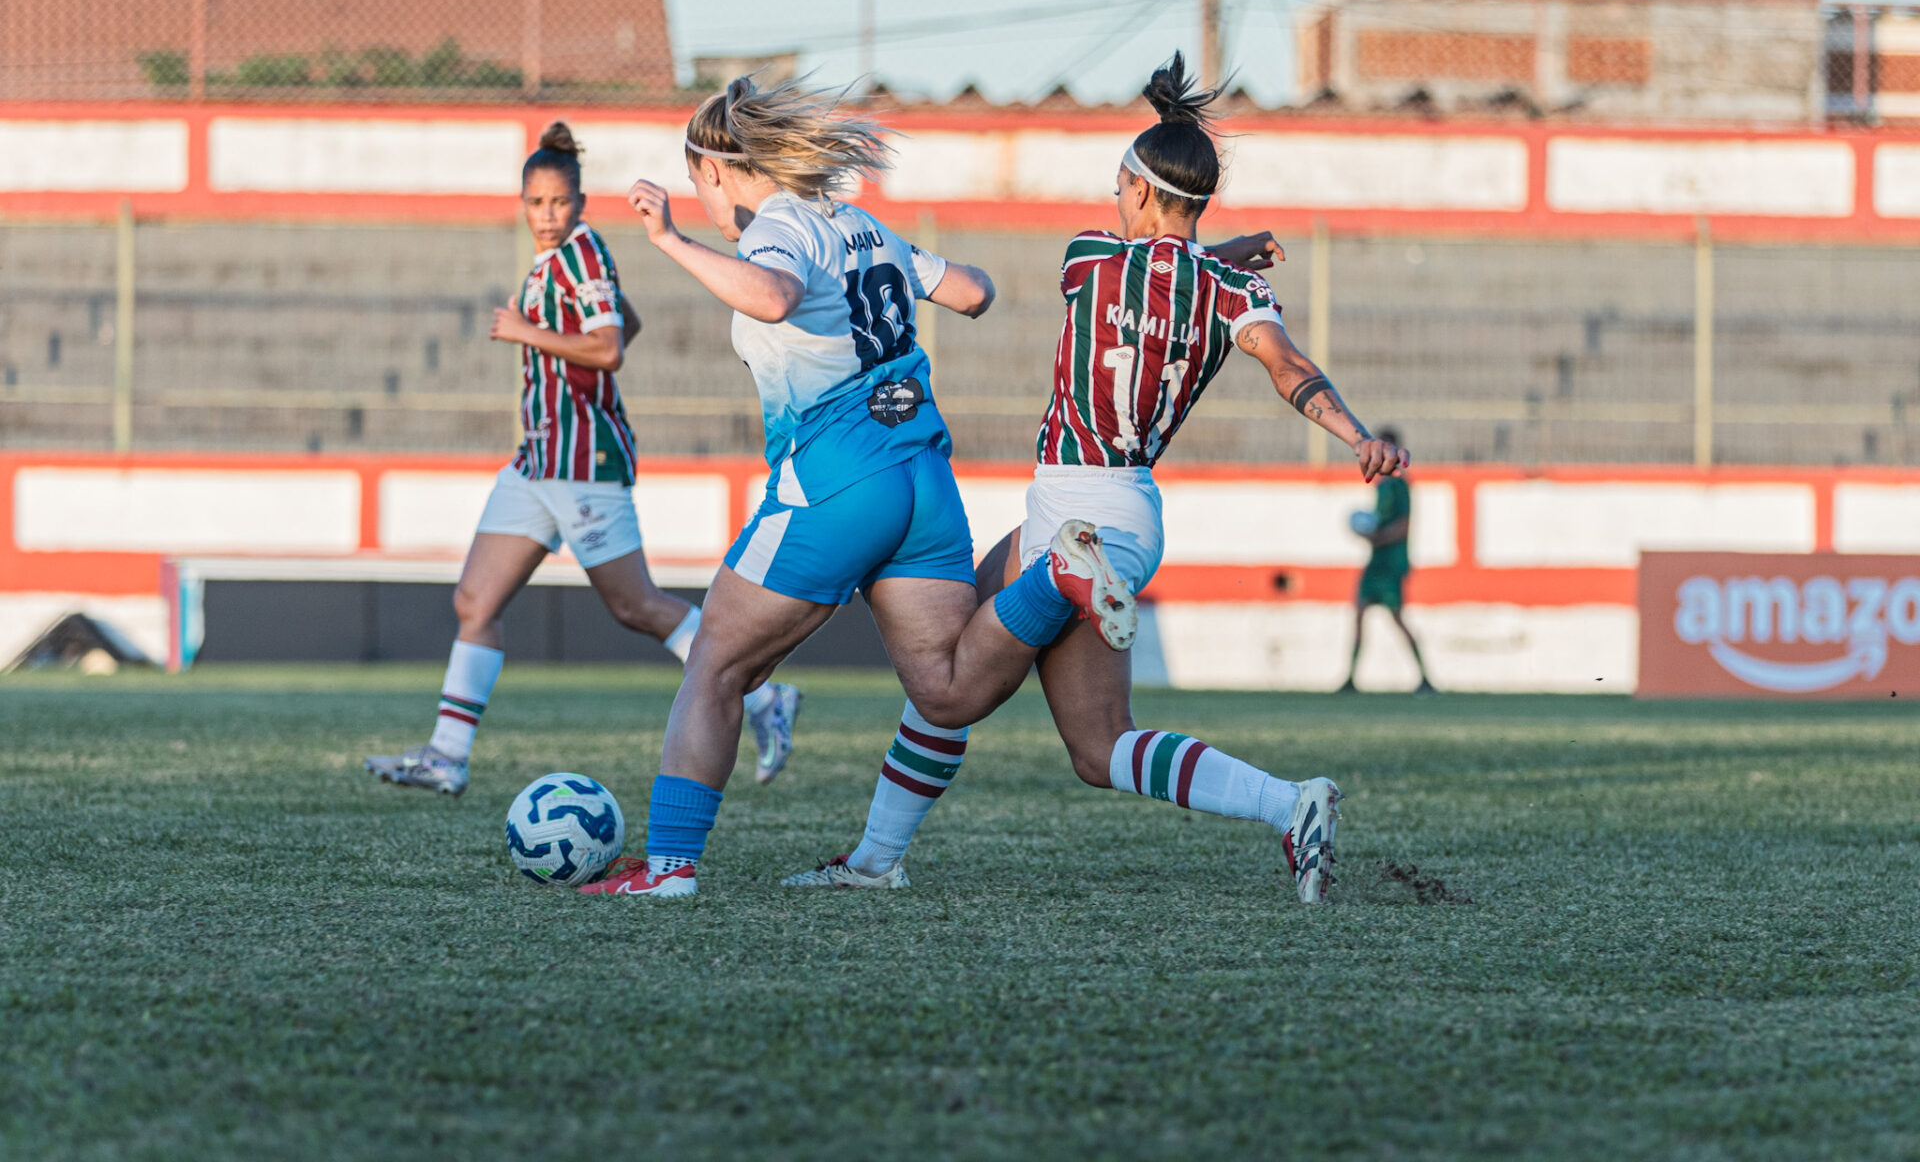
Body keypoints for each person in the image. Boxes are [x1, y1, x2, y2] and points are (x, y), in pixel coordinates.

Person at [781, 55, 1408, 904]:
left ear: (1142, 192)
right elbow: (1284, 364)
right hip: (1126, 511)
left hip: (1074, 506)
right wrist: (1357, 435)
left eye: (1122, 186)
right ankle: (1291, 804)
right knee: (1097, 747)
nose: (1114, 199)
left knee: (952, 684)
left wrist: (1221, 252)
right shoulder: (1235, 294)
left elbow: (1146, 275)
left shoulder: (1086, 260)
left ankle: (877, 856)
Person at [577, 76, 1135, 897]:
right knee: (945, 694)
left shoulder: (779, 228)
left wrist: (666, 241)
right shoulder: (863, 225)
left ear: (720, 171)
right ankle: (1052, 578)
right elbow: (976, 291)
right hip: (923, 481)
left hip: (839, 484)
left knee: (715, 667)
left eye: (696, 181)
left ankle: (667, 870)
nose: (697, 198)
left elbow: (770, 296)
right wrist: (912, 269)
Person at [364, 122, 799, 797]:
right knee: (475, 599)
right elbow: (626, 321)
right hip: (537, 460)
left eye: (559, 203)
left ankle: (767, 700)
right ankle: (447, 754)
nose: (547, 215)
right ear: (522, 202)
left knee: (636, 606)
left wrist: (524, 331)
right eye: (535, 203)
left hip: (583, 461)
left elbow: (609, 348)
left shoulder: (581, 253)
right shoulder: (559, 261)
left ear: (580, 202)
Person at [1340, 425, 1436, 695]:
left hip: (1392, 562)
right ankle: (1350, 679)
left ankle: (1425, 679)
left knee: (1397, 619)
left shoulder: (1400, 485)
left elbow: (1403, 527)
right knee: (1359, 614)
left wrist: (1376, 536)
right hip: (1377, 561)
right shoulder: (1381, 486)